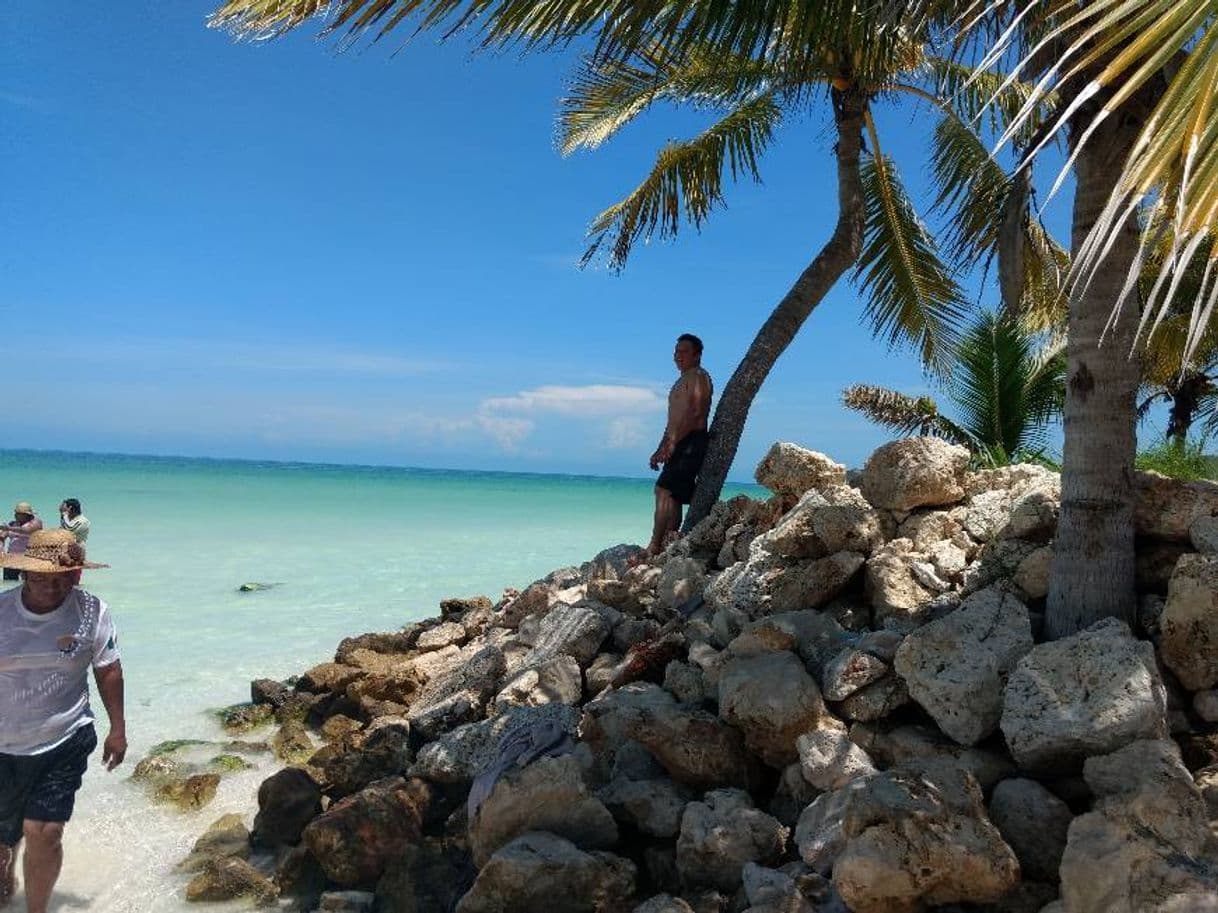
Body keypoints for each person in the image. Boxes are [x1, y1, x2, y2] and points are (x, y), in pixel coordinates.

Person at [0, 529, 123, 913]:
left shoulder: (92, 612)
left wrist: (117, 728)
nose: (51, 588)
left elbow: (108, 670)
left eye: (60, 579)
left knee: (45, 831)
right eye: (40, 578)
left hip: (65, 738)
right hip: (3, 746)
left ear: (75, 576)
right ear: (24, 574)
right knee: (4, 839)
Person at [641, 333, 714, 560]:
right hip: (679, 442)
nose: (677, 356)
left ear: (697, 355)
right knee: (672, 496)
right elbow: (672, 421)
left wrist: (672, 444)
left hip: (692, 441)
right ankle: (669, 546)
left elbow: (695, 414)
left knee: (663, 490)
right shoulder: (681, 381)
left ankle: (654, 546)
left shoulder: (699, 377)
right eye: (676, 352)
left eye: (684, 352)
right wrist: (660, 448)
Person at [0, 505, 44, 583]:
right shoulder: (12, 523)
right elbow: (2, 537)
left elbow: (27, 530)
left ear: (26, 514)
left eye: (18, 514)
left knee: (28, 582)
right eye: (15, 513)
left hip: (28, 557)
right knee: (9, 582)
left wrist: (8, 528)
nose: (15, 515)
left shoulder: (36, 522)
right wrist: (1, 549)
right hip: (11, 558)